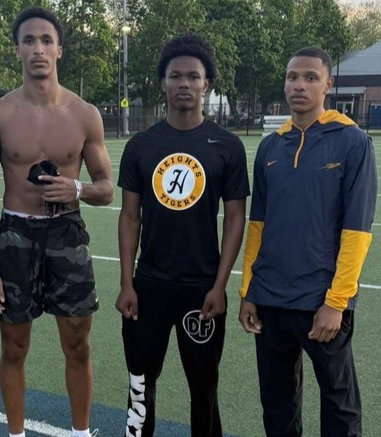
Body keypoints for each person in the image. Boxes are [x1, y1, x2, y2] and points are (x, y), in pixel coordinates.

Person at [0, 7, 113, 437]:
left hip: (67, 234)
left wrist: (77, 190)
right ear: (17, 50)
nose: (38, 48)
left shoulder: (84, 113)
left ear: (60, 49)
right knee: (13, 347)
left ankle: (79, 432)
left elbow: (107, 188)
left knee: (77, 344)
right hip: (14, 236)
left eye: (46, 40)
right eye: (29, 40)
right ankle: (15, 433)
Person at [115, 34, 249, 437]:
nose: (185, 84)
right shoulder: (141, 145)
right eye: (176, 76)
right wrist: (127, 283)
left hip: (201, 289)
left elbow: (235, 219)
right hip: (149, 286)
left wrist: (220, 285)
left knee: (204, 387)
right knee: (140, 382)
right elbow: (129, 217)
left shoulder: (227, 146)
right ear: (163, 83)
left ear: (206, 83)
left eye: (194, 76)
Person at [239, 47, 377, 437]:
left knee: (339, 403)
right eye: (292, 77)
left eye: (310, 78)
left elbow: (357, 231)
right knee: (277, 402)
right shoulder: (270, 147)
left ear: (328, 85)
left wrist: (336, 302)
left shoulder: (352, 142)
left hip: (321, 301)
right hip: (270, 298)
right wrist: (249, 289)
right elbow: (257, 226)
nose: (299, 85)